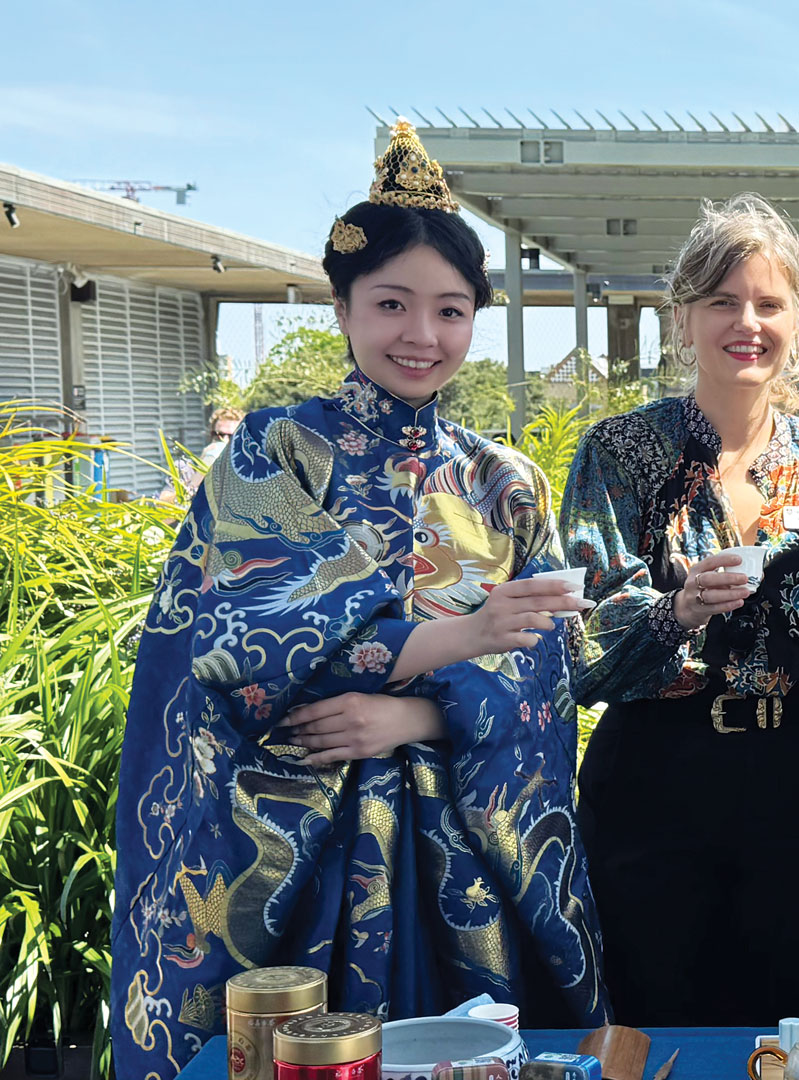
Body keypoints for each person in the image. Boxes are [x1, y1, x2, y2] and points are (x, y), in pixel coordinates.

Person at [112, 121, 605, 1080]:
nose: (422, 336)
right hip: (304, 845)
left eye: (452, 311)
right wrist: (459, 638)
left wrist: (414, 709)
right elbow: (225, 642)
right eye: (391, 304)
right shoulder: (275, 451)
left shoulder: (506, 482)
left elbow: (548, 668)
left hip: (466, 842)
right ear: (341, 308)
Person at [561, 193, 799, 1028]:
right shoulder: (623, 453)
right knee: (656, 1030)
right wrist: (675, 610)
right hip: (655, 784)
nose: (744, 321)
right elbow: (579, 648)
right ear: (682, 319)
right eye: (721, 301)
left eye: (768, 303)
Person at [174, 406, 243, 499]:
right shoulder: (184, 468)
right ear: (211, 435)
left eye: (232, 437)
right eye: (219, 436)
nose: (225, 441)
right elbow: (162, 501)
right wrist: (201, 468)